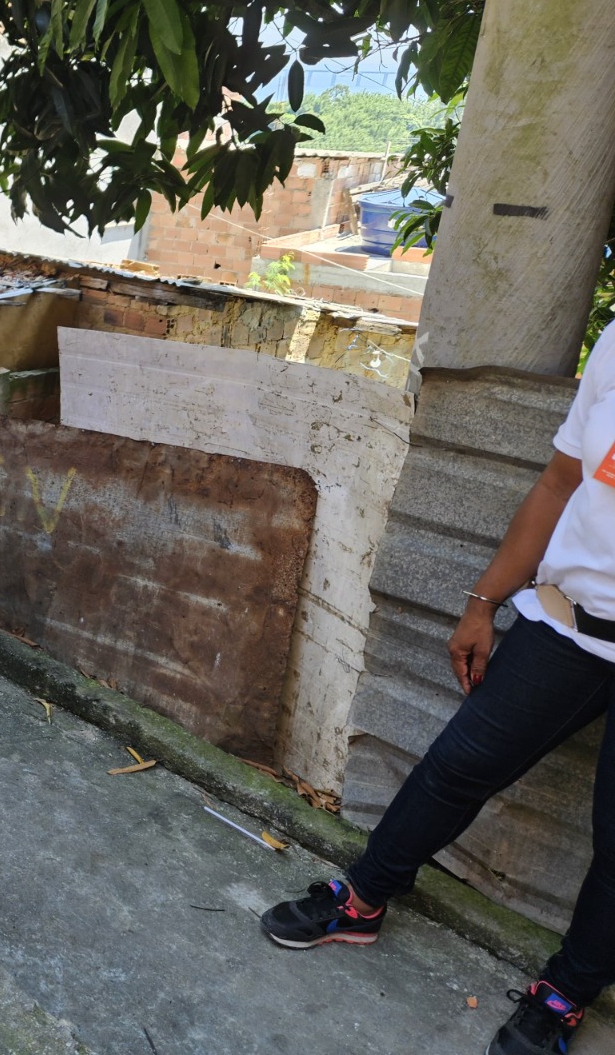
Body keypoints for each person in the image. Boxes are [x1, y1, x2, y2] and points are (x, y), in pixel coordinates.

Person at [261, 327, 615, 1054]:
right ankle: (361, 901)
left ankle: (565, 996)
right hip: (568, 626)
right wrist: (484, 601)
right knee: (457, 766)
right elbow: (559, 483)